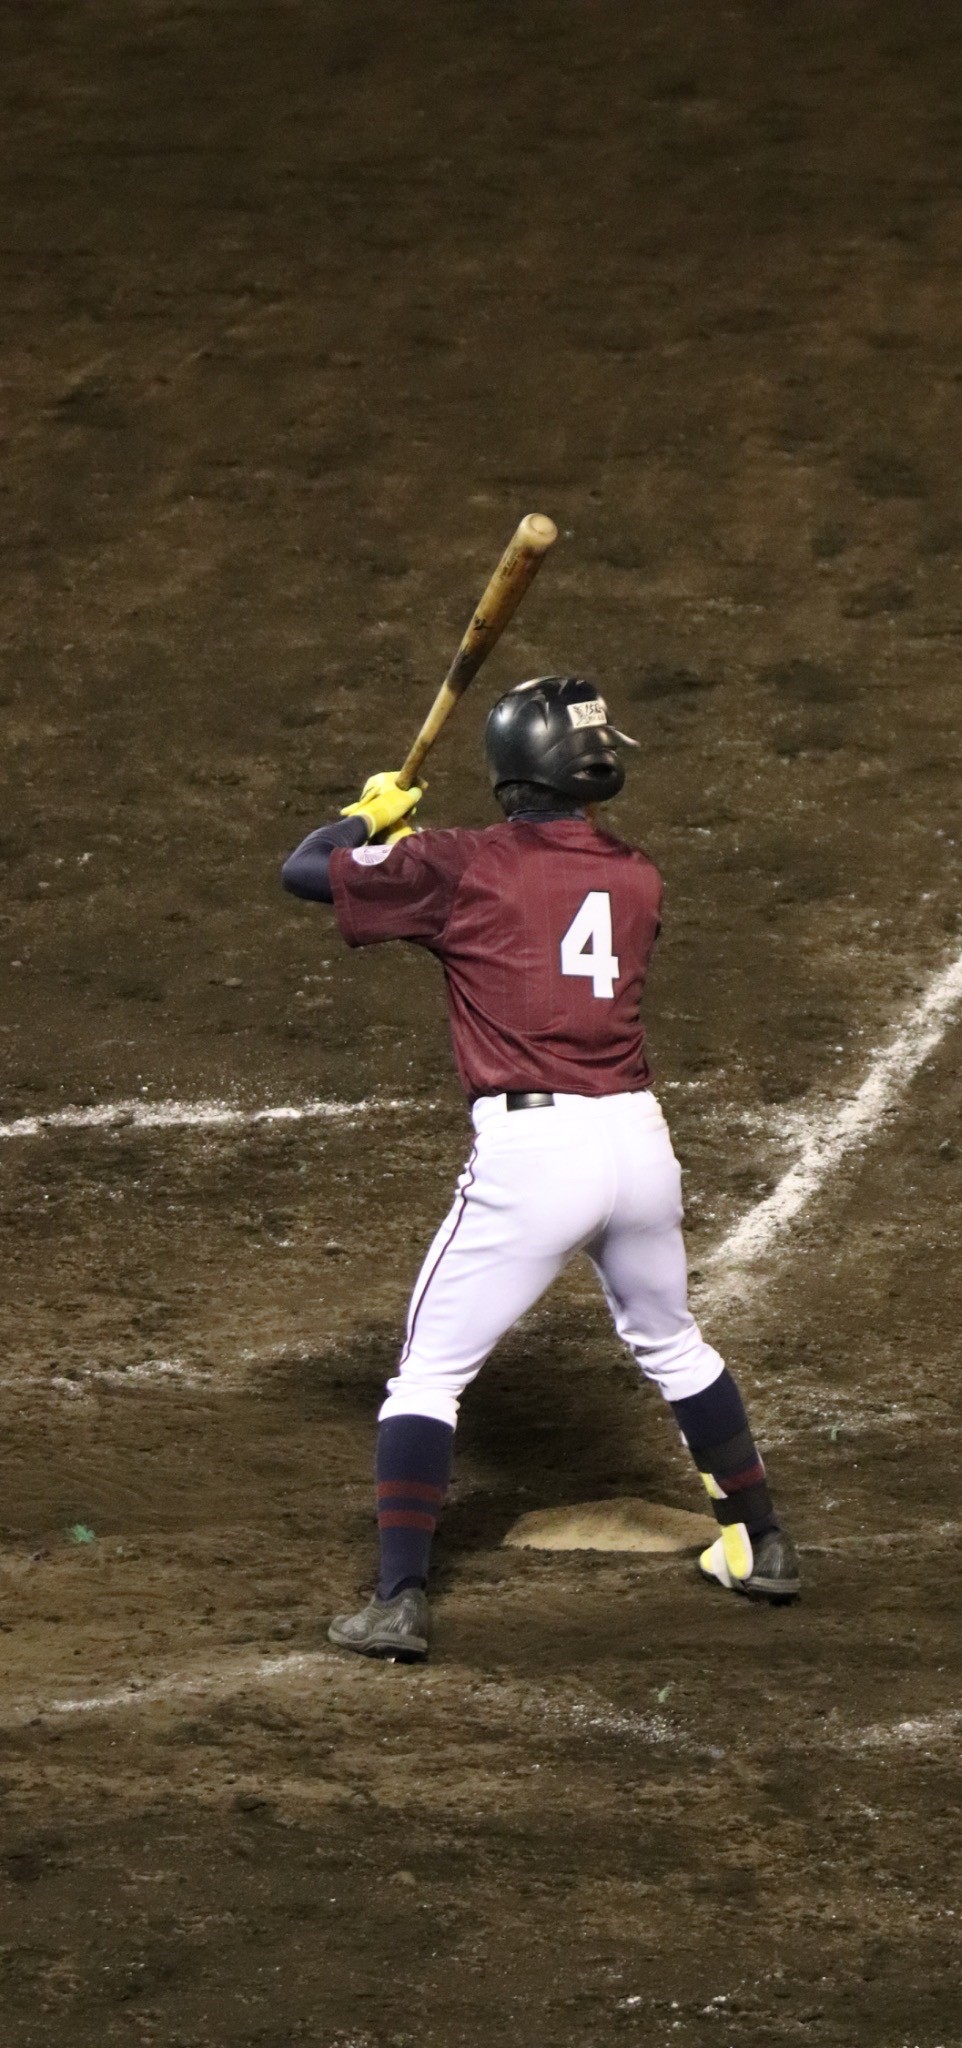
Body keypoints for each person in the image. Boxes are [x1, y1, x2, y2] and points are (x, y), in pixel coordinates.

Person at [281, 675, 799, 1660]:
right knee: (674, 1343)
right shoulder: (638, 876)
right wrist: (416, 855)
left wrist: (368, 818)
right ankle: (759, 1542)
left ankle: (397, 1601)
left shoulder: (458, 863)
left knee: (428, 1374)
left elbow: (305, 871)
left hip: (535, 1157)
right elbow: (536, 921)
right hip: (639, 1147)